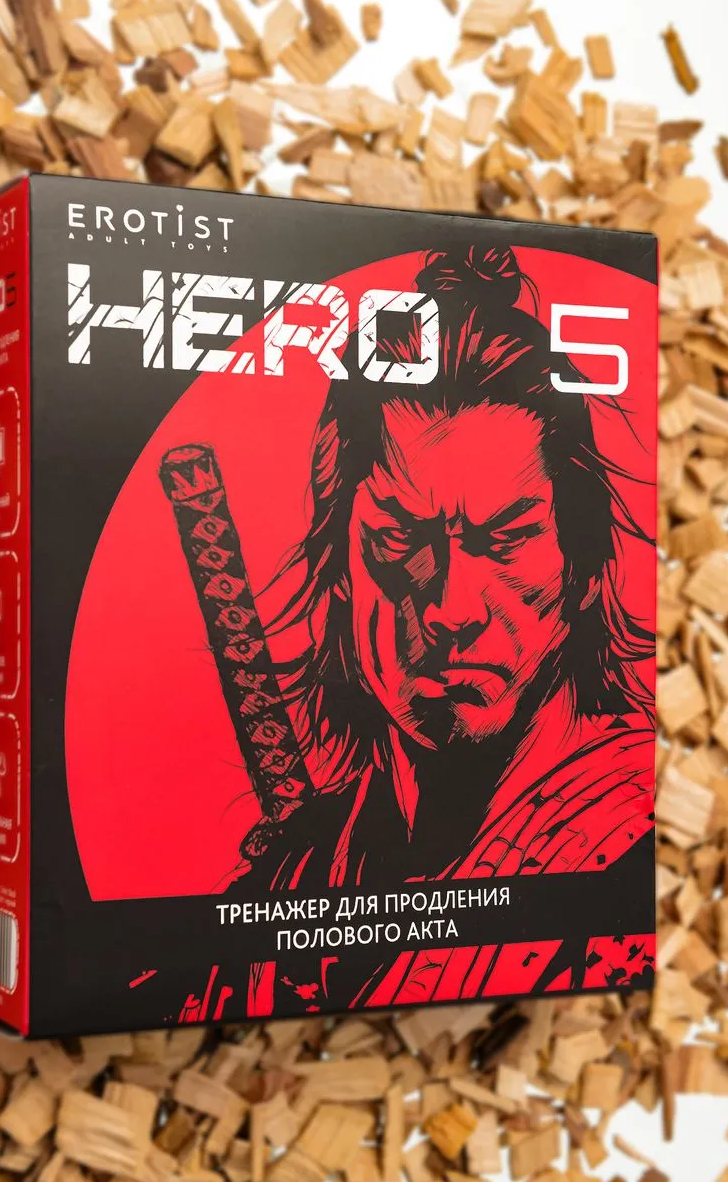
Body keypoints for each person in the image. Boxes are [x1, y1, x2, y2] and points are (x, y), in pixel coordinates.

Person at [217, 243, 655, 1013]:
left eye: (505, 539)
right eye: (399, 538)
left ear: (583, 567)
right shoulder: (296, 875)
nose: (451, 609)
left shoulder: (638, 848)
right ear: (340, 567)